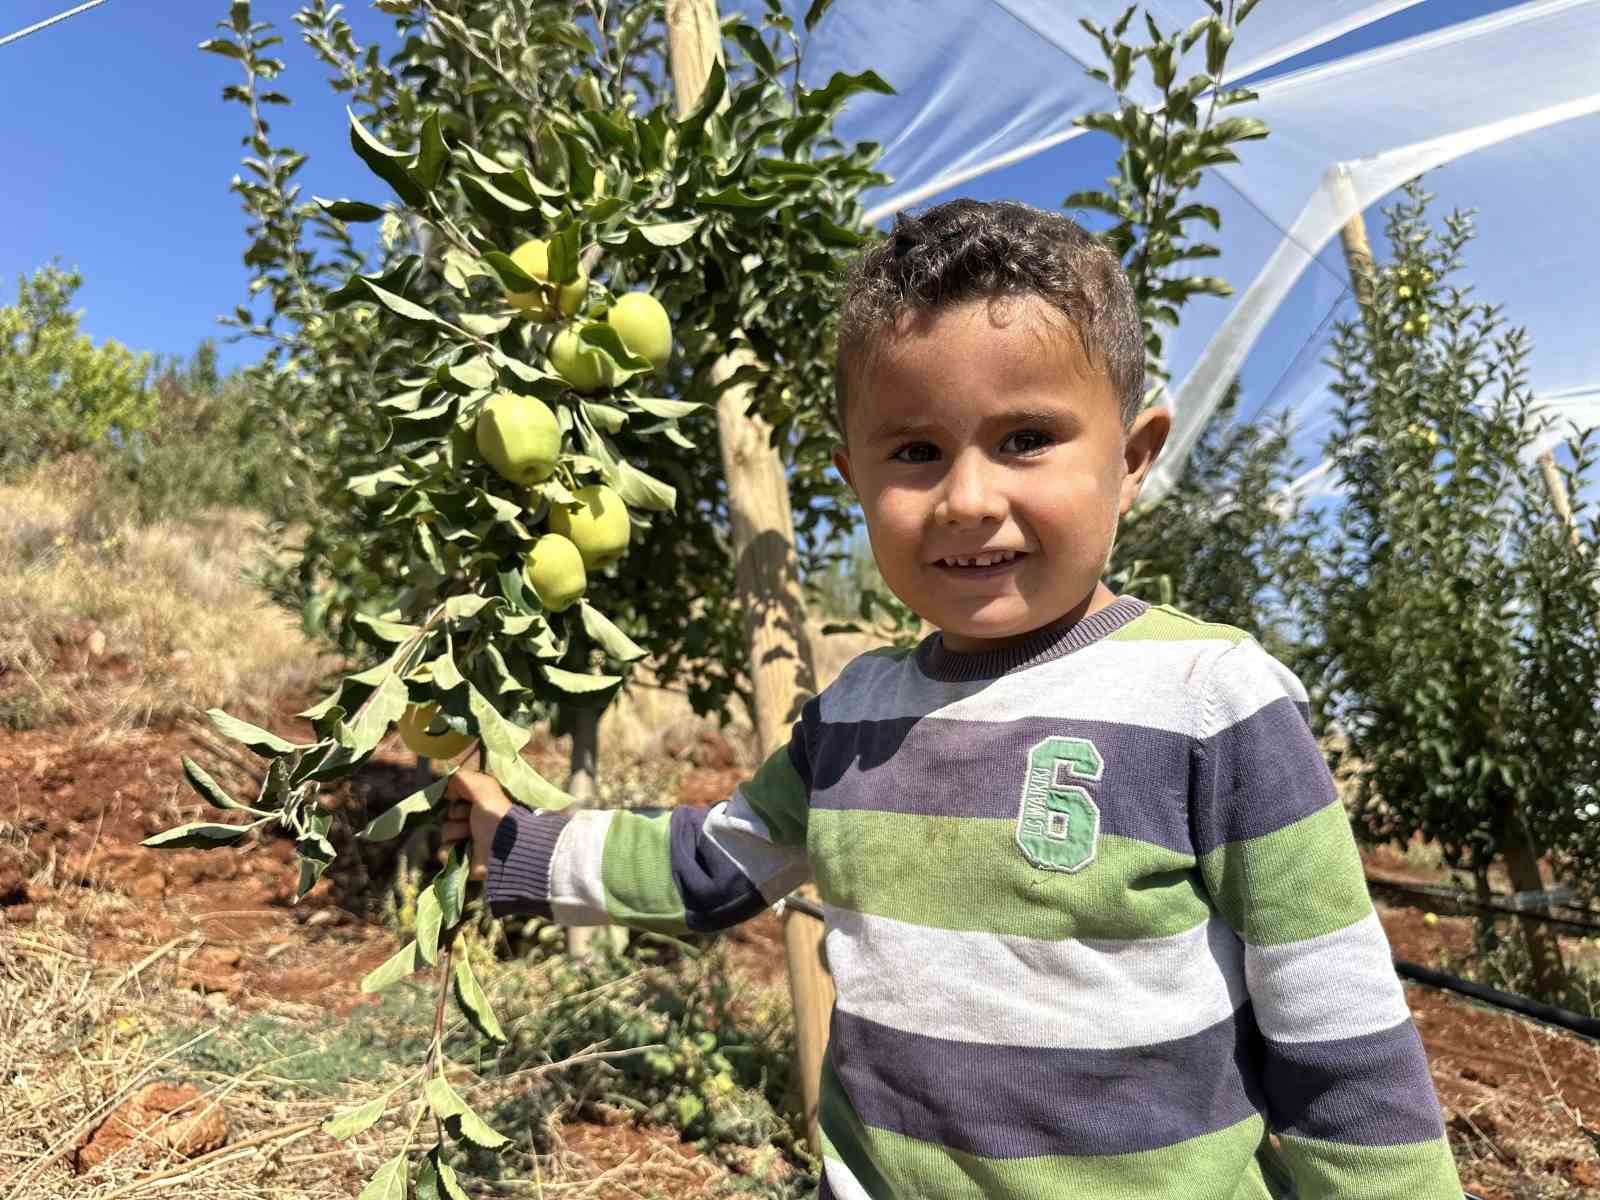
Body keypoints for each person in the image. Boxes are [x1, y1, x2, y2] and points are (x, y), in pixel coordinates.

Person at [443, 198, 1463, 1199]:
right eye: (915, 452)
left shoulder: (1207, 700)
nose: (968, 499)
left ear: (1134, 457)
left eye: (1026, 439)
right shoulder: (854, 717)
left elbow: (1337, 1033)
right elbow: (715, 863)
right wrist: (520, 848)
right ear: (852, 478)